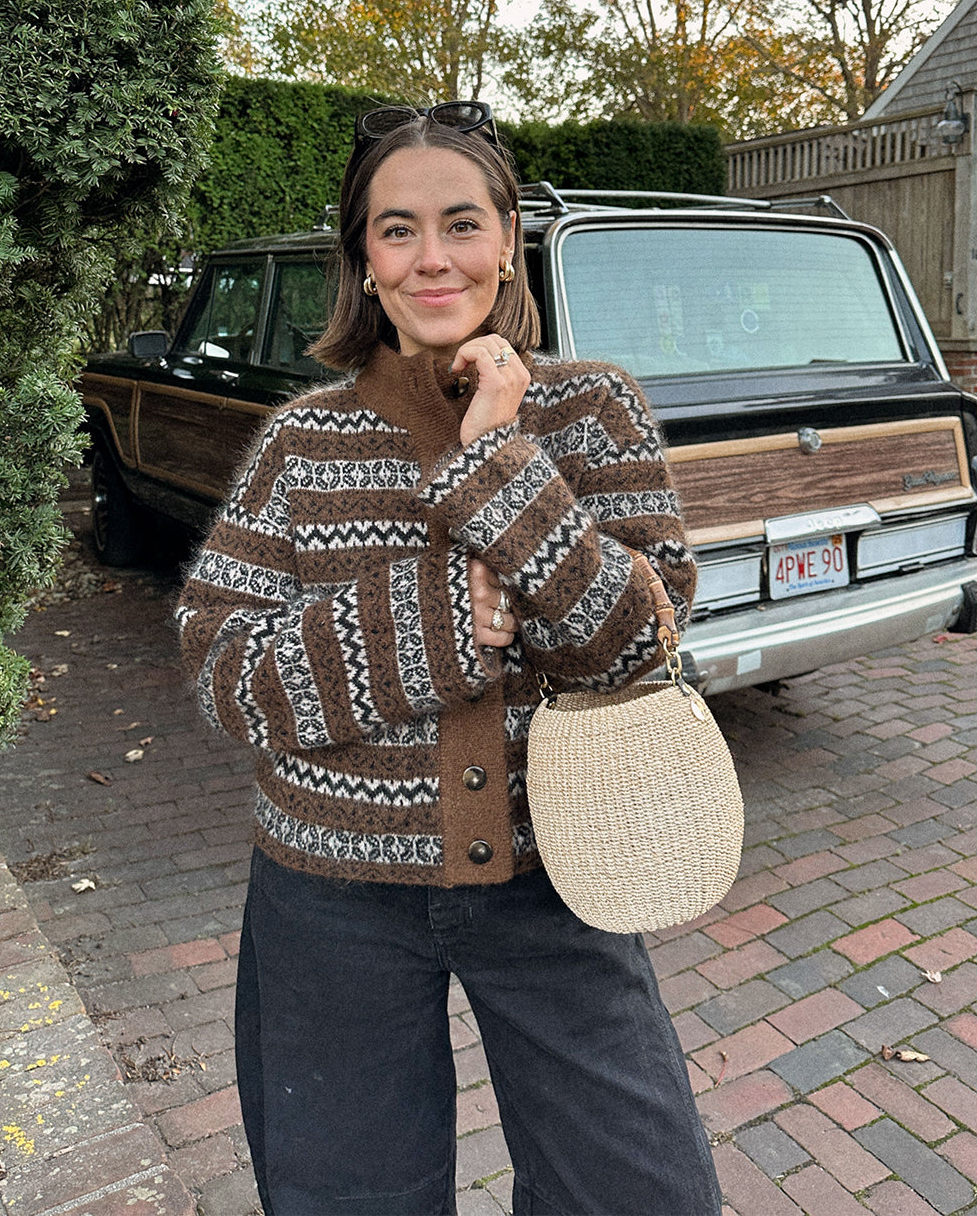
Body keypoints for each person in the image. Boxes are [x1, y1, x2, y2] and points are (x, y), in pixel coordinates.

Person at [176, 101, 723, 1216]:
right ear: (363, 263)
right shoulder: (300, 443)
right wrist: (428, 628)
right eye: (397, 230)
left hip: (559, 878)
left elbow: (635, 643)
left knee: (643, 1191)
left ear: (508, 237)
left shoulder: (593, 410)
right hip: (328, 895)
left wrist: (499, 461)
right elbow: (227, 669)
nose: (433, 257)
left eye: (462, 222)